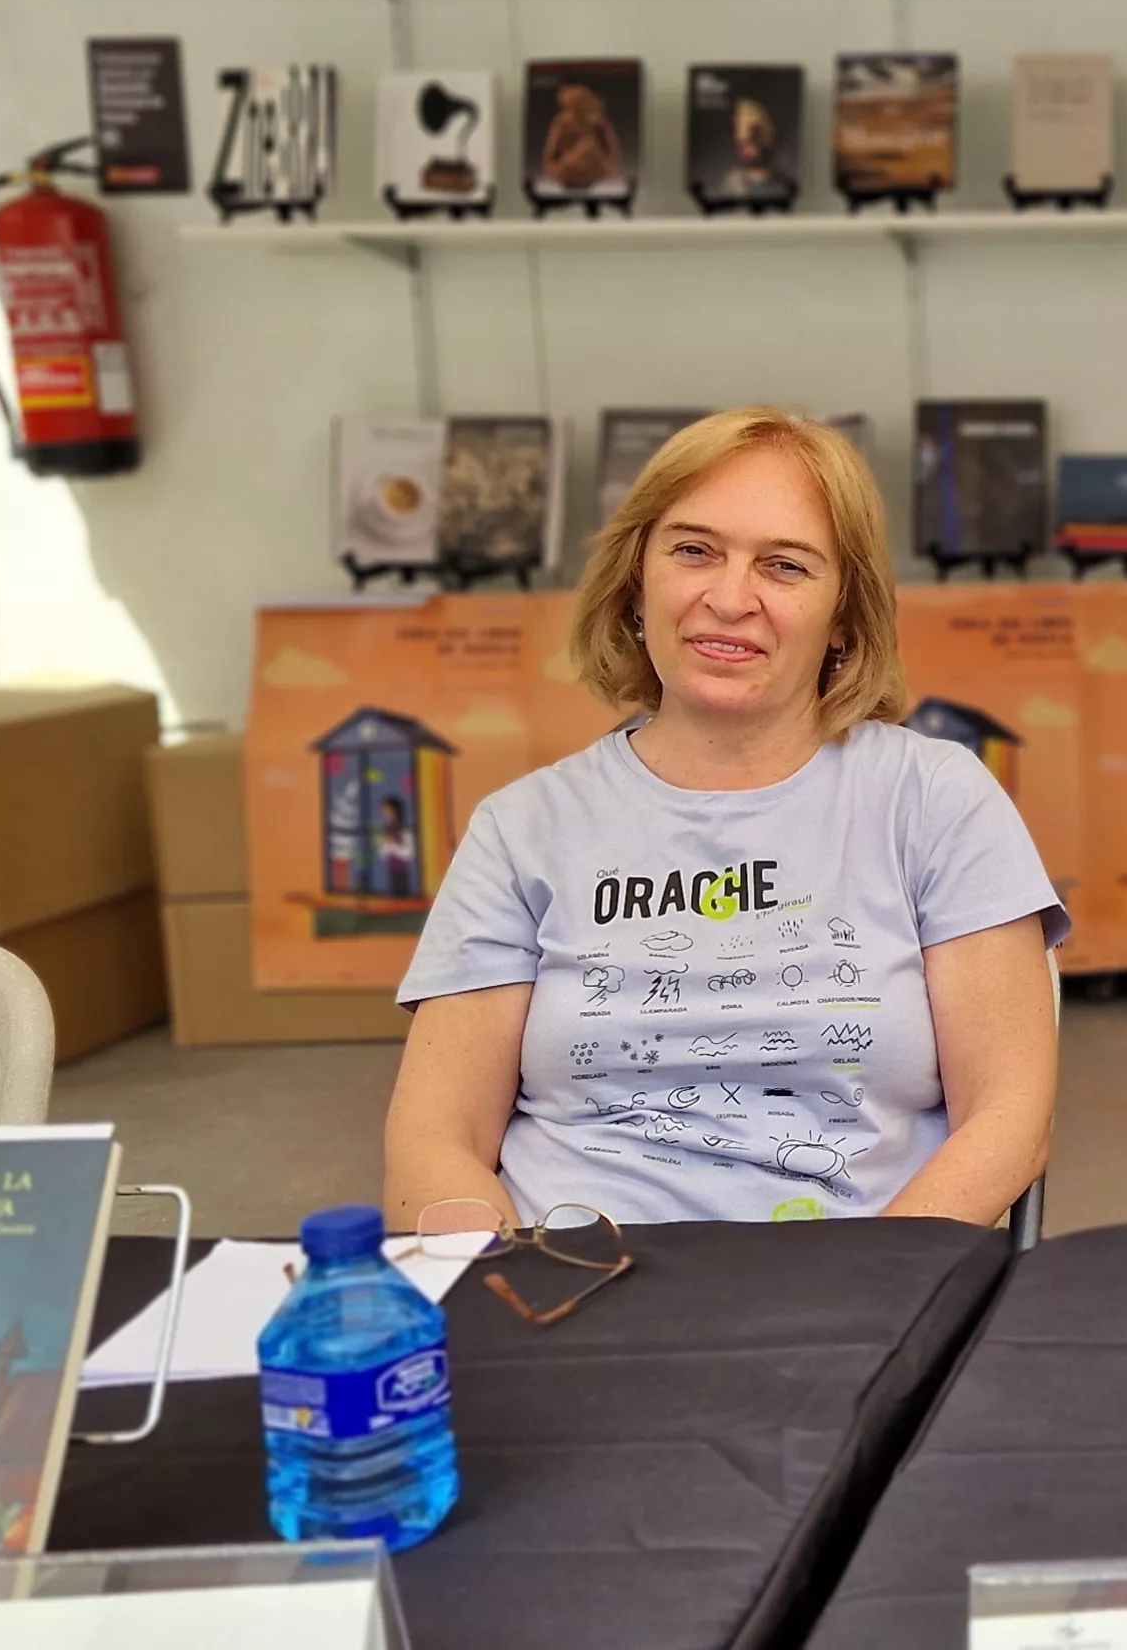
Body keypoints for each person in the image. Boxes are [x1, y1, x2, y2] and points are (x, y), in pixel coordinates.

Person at [384, 407, 1065, 1229]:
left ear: (845, 616)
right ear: (637, 581)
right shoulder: (523, 828)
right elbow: (435, 1138)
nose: (729, 597)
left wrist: (874, 1298)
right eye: (694, 550)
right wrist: (509, 1298)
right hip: (570, 1288)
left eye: (784, 566)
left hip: (862, 1290)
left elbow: (1008, 1119)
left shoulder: (935, 800)